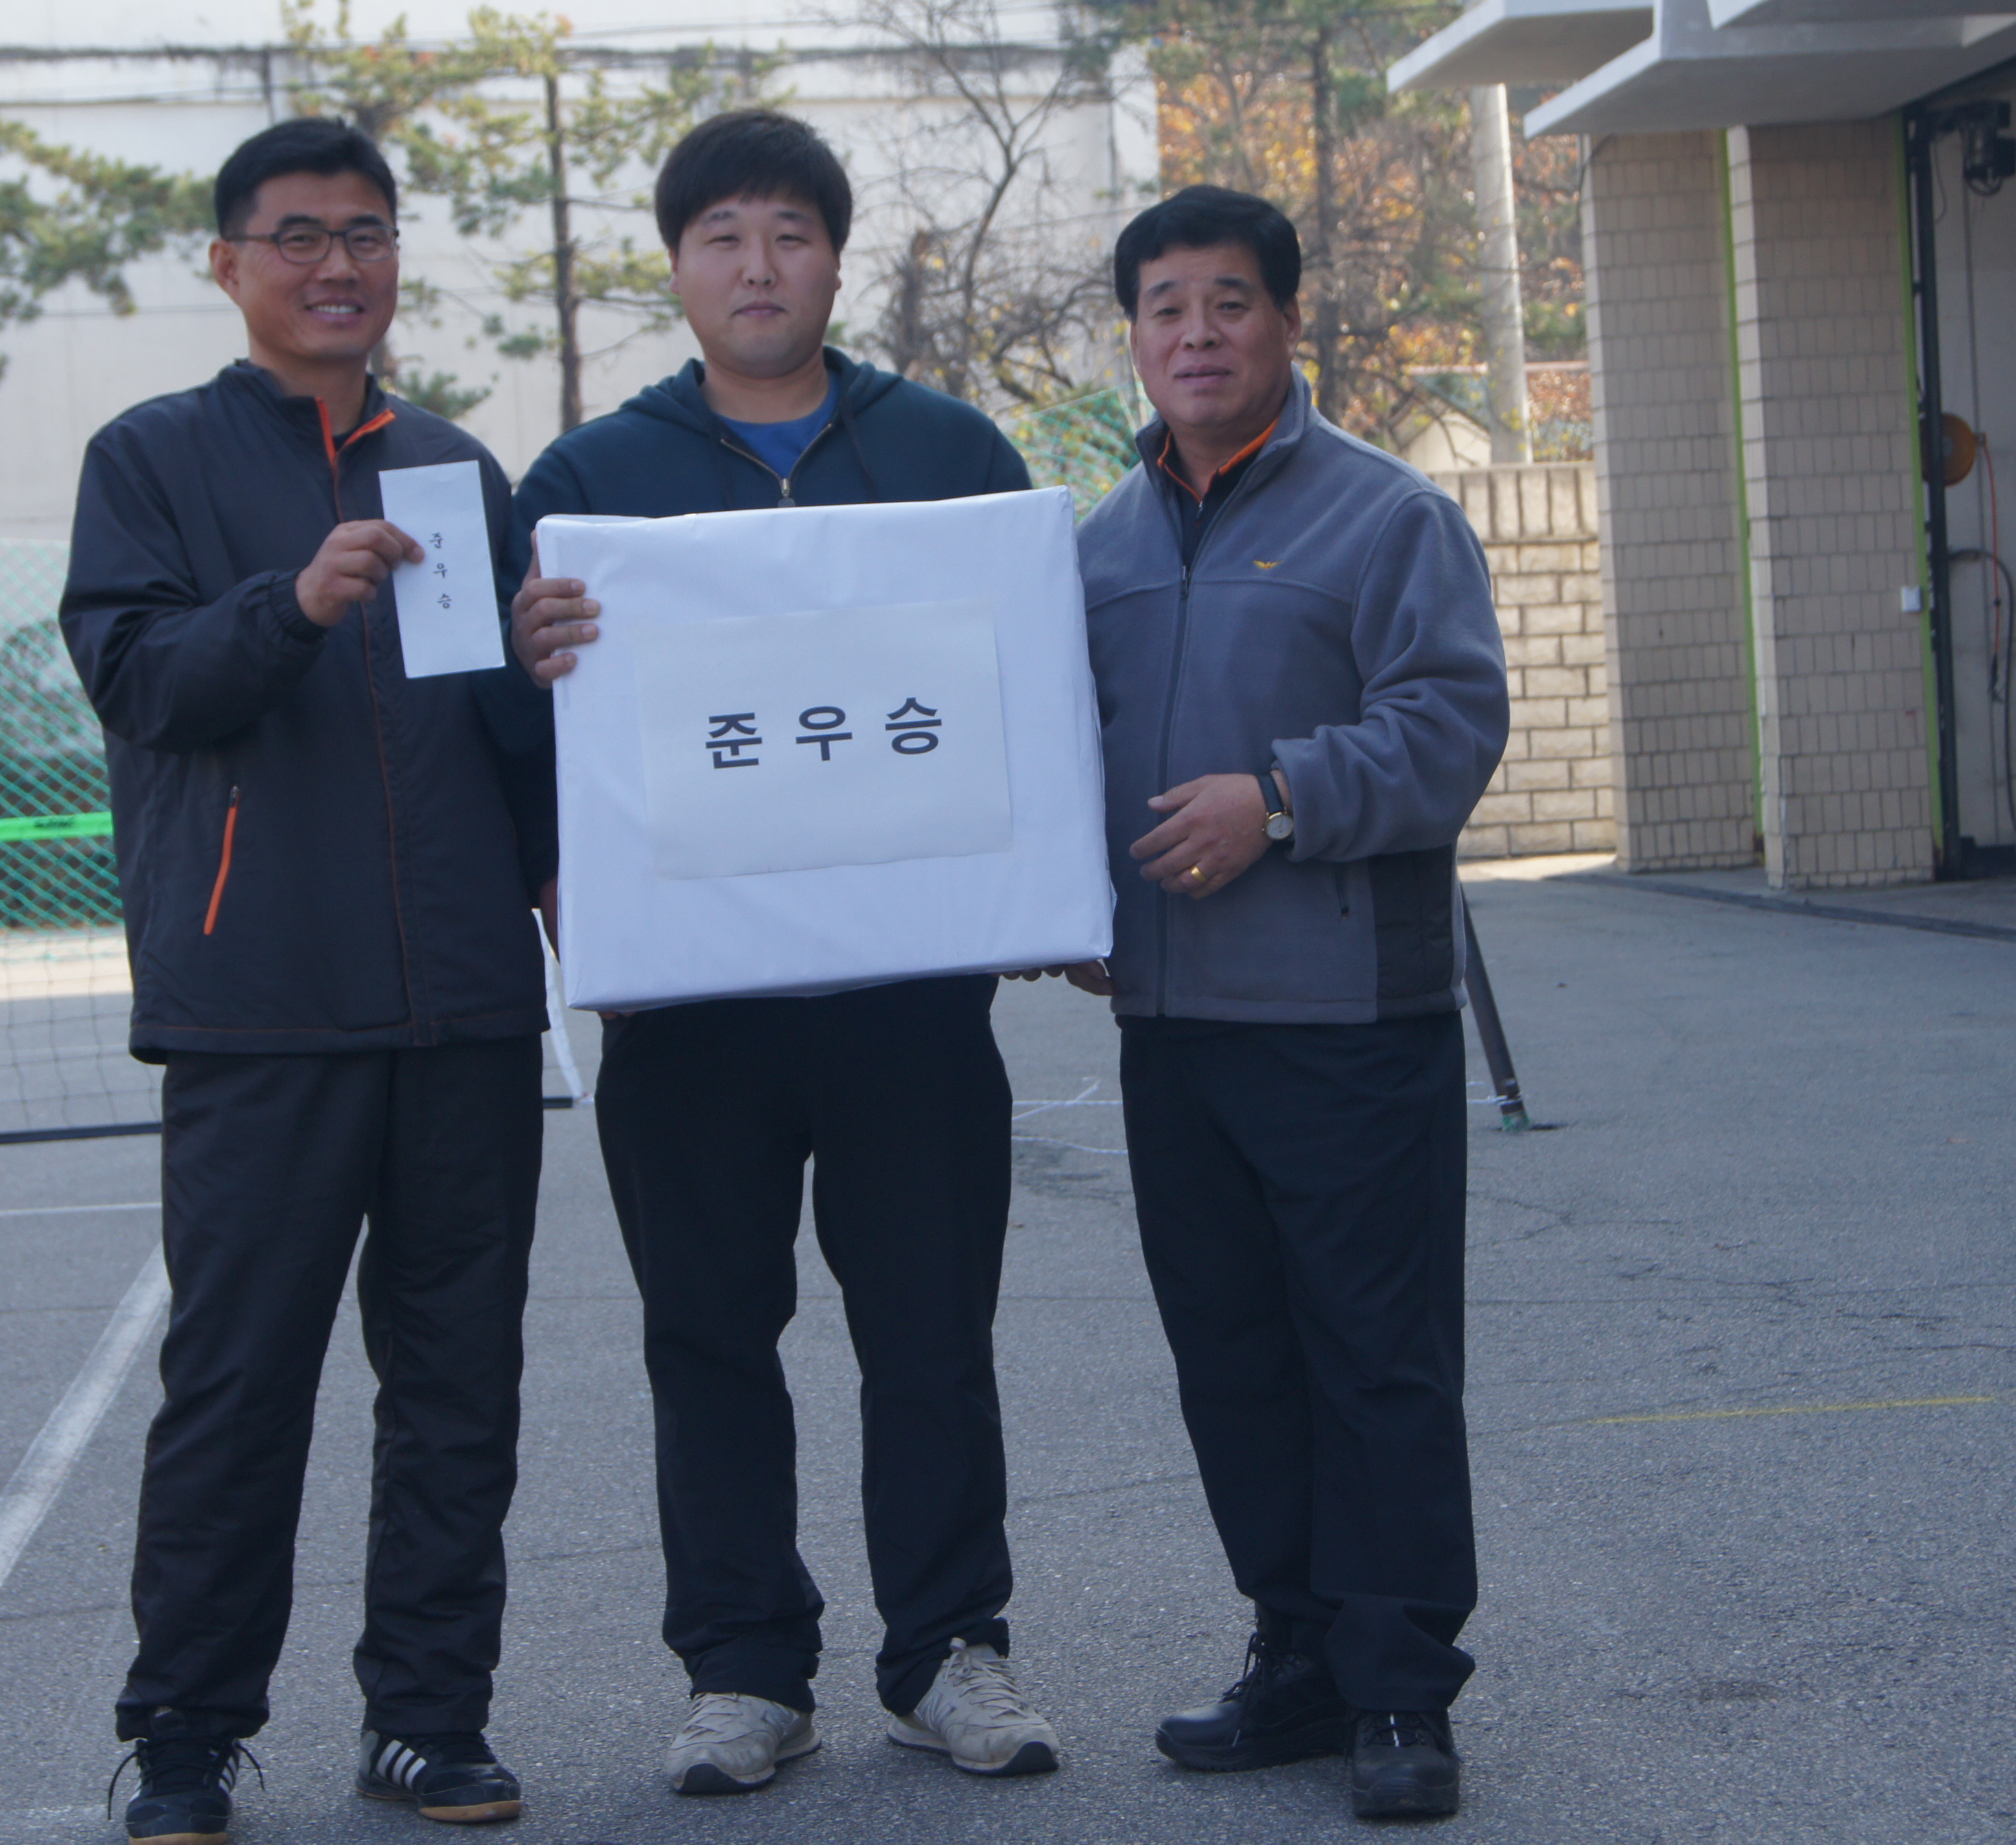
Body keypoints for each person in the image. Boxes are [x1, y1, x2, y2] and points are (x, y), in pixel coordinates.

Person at [504, 108, 1059, 1796]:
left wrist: (1052, 884)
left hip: (910, 1004)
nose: (759, 267)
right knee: (708, 1341)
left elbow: (1035, 687)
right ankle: (744, 1672)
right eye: (724, 237)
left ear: (835, 259)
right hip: (690, 1016)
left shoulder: (950, 450)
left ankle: (949, 1652)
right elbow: (525, 752)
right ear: (676, 267)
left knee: (932, 1336)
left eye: (791, 235)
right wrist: (531, 680)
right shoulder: (587, 486)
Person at [61, 117, 557, 1844]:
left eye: (366, 233)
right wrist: (293, 600)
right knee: (239, 1385)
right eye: (298, 236)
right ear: (229, 264)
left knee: (459, 1388)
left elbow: (502, 736)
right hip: (260, 1002)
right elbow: (144, 682)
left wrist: (545, 665)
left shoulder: (455, 468)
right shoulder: (152, 459)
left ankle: (428, 1719)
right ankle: (184, 1736)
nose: (337, 265)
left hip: (466, 1008)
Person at [1066, 185, 1508, 1821]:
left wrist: (1276, 797)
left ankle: (1400, 1689)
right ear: (1133, 336)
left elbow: (1451, 726)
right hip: (1170, 1026)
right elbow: (1050, 751)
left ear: (1287, 321)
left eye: (1229, 302)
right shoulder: (1097, 545)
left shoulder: (1385, 518)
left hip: (1347, 1018)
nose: (1197, 334)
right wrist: (1064, 904)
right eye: (1165, 307)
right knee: (1234, 1357)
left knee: (1376, 1360)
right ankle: (1301, 1651)